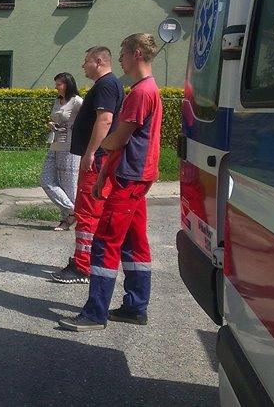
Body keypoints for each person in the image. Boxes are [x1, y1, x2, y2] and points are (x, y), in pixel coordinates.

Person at [59, 33, 163, 331]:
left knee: (105, 242)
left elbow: (118, 137)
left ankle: (95, 314)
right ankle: (134, 307)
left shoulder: (141, 93)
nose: (121, 59)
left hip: (129, 178)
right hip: (135, 176)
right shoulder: (146, 89)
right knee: (134, 243)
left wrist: (97, 151)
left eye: (124, 53)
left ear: (138, 54)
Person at [51, 46, 124, 285]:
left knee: (88, 211)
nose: (83, 66)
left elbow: (105, 120)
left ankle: (83, 267)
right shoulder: (105, 85)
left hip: (98, 158)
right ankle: (85, 261)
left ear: (99, 61)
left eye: (86, 61)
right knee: (88, 210)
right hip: (98, 156)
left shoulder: (105, 85)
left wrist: (90, 152)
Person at [40, 73, 84, 230]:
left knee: (69, 185)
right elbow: (56, 118)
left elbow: (88, 120)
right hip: (55, 143)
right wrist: (52, 124)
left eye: (59, 84)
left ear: (68, 85)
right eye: (56, 84)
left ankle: (66, 220)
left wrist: (74, 128)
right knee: (46, 180)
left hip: (70, 146)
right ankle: (72, 210)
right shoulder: (57, 101)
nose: (56, 87)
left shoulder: (77, 101)